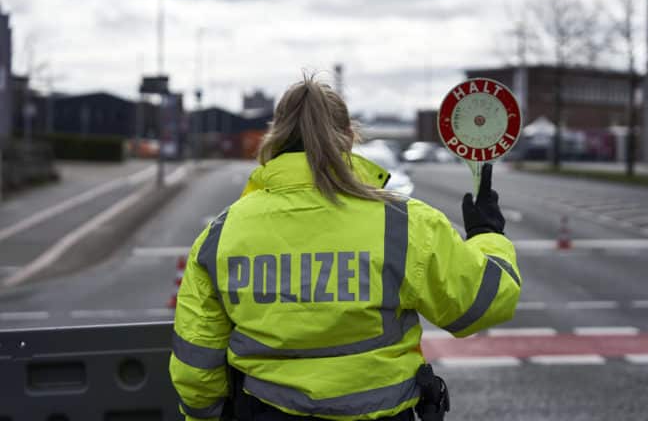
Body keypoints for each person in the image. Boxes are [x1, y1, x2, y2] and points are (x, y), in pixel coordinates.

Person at [169, 74, 521, 421]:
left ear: (273, 138)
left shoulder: (223, 233)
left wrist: (204, 415)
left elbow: (196, 366)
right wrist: (486, 234)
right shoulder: (404, 223)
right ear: (350, 138)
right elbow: (479, 303)